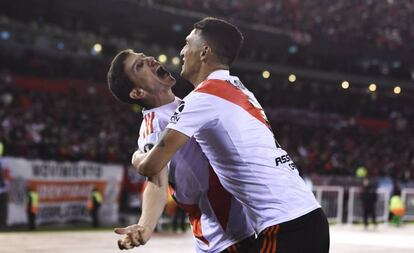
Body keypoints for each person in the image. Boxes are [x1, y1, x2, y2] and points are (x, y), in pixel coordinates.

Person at [134, 17, 330, 252]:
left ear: (204, 52)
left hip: (286, 226)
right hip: (305, 218)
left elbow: (151, 166)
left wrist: (137, 155)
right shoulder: (239, 89)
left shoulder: (201, 99)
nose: (183, 51)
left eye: (188, 44)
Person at [107, 50, 255, 252]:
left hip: (242, 226)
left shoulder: (186, 104)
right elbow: (156, 181)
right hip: (225, 236)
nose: (150, 59)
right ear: (138, 93)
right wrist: (146, 225)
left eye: (144, 57)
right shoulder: (155, 126)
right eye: (139, 66)